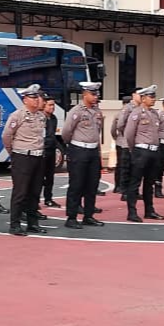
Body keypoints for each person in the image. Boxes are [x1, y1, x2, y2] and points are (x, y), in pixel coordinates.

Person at [4, 84, 48, 236]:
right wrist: (13, 153)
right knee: (20, 192)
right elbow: (6, 136)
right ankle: (15, 225)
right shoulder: (17, 115)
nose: (36, 100)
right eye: (32, 97)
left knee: (35, 192)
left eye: (37, 97)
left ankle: (32, 223)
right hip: (22, 156)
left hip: (38, 156)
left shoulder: (41, 116)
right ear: (25, 100)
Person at [61, 81, 105, 229]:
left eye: (96, 94)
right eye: (93, 94)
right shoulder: (76, 111)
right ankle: (71, 217)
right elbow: (66, 132)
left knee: (92, 185)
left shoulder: (97, 112)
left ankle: (88, 215)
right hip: (79, 150)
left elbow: (98, 132)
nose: (95, 97)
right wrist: (73, 146)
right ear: (84, 95)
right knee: (76, 184)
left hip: (93, 151)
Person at [123, 85, 164, 223]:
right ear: (143, 98)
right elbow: (129, 134)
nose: (153, 99)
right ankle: (132, 212)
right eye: (150, 97)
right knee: (135, 182)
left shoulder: (155, 114)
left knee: (149, 183)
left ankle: (149, 210)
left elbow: (159, 131)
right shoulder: (136, 113)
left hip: (153, 151)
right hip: (141, 151)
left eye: (154, 96)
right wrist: (134, 149)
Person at [41, 94, 60, 208]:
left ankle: (48, 198)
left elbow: (53, 134)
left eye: (53, 105)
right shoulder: (40, 117)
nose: (52, 107)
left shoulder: (53, 118)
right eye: (50, 105)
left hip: (51, 150)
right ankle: (34, 201)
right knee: (39, 177)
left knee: (50, 176)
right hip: (42, 150)